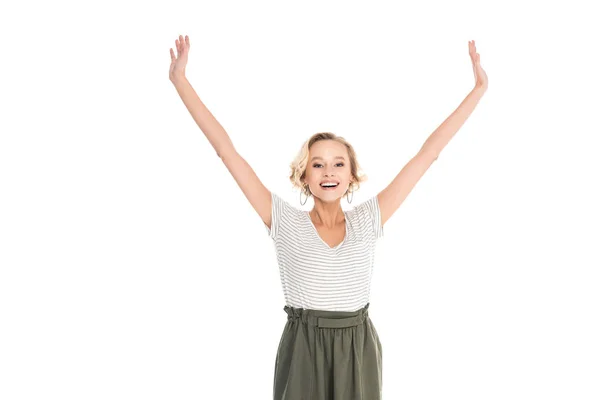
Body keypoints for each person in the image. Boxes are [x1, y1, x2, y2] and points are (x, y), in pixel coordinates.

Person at [169, 34, 488, 400]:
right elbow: (227, 152)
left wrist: (478, 90)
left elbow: (427, 153)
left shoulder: (369, 219)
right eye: (317, 164)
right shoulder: (284, 220)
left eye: (338, 163)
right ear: (304, 175)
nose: (328, 171)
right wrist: (180, 80)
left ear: (351, 174)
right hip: (304, 346)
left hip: (357, 345)